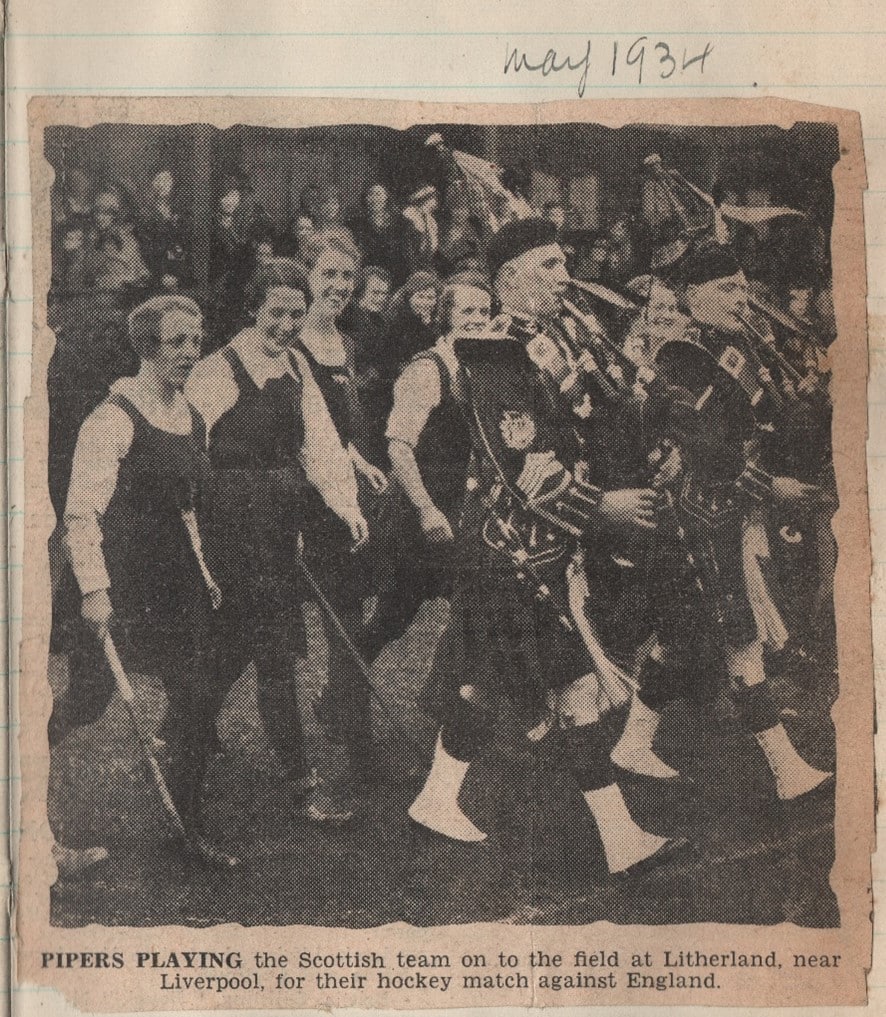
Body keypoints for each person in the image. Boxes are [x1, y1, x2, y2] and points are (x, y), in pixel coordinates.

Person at [409, 220, 683, 879]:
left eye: (565, 263)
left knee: (480, 686)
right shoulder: (495, 355)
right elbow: (525, 470)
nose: (565, 276)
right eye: (550, 264)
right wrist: (603, 510)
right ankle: (622, 841)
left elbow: (579, 434)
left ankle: (435, 797)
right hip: (510, 557)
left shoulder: (541, 347)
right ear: (508, 280)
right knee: (578, 692)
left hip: (525, 555)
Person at [625, 238, 833, 799]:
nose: (741, 298)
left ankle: (634, 742)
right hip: (696, 516)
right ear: (692, 296)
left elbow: (756, 426)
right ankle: (786, 769)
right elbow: (705, 451)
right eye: (726, 289)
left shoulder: (728, 348)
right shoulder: (683, 360)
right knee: (739, 639)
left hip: (724, 513)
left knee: (679, 639)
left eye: (743, 287)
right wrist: (772, 486)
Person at [50, 294, 238, 877]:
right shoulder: (113, 417)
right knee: (85, 702)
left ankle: (187, 825)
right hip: (121, 587)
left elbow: (189, 510)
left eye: (196, 339)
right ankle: (21, 786)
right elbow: (82, 513)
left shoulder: (193, 417)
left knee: (197, 696)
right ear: (147, 348)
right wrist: (94, 590)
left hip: (176, 588)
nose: (191, 351)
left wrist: (205, 574)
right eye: (177, 341)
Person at [185, 258, 368, 823]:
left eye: (297, 312)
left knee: (247, 646)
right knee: (272, 653)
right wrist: (191, 534)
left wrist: (348, 507)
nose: (288, 325)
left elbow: (320, 444)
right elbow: (185, 451)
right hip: (228, 529)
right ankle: (301, 779)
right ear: (252, 309)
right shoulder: (217, 370)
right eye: (276, 313)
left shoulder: (296, 368)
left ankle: (185, 724)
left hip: (277, 527)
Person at [294, 232, 389, 812]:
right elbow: (294, 429)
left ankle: (353, 733)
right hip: (302, 500)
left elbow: (340, 426)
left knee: (346, 617)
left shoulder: (346, 346)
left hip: (343, 499)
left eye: (346, 279)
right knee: (272, 634)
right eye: (327, 274)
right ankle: (190, 720)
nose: (338, 287)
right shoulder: (288, 344)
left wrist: (357, 456)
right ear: (306, 276)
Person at [359, 273, 492, 665]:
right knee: (393, 618)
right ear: (445, 315)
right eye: (468, 310)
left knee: (477, 610)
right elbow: (399, 447)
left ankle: (462, 705)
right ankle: (340, 692)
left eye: (485, 310)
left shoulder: (484, 366)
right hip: (427, 516)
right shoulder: (428, 369)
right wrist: (426, 509)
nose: (478, 318)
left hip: (468, 513)